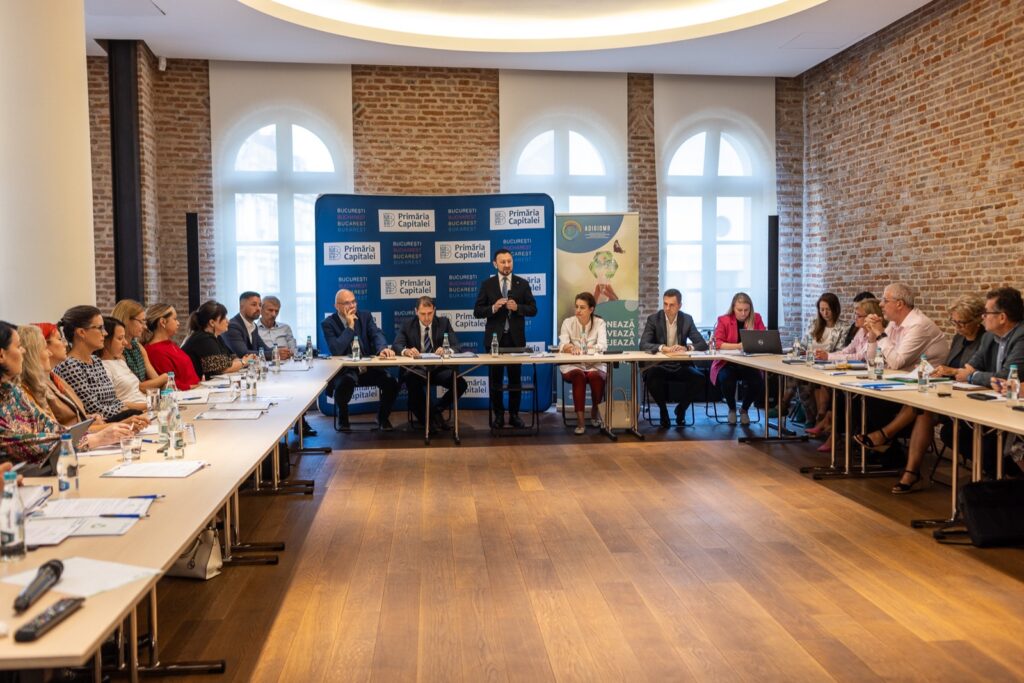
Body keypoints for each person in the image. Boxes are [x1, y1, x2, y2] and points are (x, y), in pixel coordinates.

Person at [888, 294, 986, 493]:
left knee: (923, 409)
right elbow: (951, 367)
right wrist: (942, 371)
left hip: (971, 398)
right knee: (923, 408)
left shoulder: (986, 340)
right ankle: (910, 471)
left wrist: (952, 372)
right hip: (950, 392)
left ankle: (886, 436)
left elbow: (973, 371)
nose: (957, 327)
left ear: (977, 320)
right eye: (954, 322)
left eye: (962, 323)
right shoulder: (959, 339)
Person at [0, 321, 129, 463]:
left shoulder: (12, 391)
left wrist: (99, 433)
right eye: (18, 347)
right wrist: (96, 438)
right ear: (1, 355)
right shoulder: (18, 390)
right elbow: (23, 445)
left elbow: (52, 427)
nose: (23, 351)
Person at [854, 282, 949, 453]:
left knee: (874, 400)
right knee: (864, 395)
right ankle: (885, 448)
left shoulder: (918, 325)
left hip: (926, 386)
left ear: (899, 304)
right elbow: (873, 361)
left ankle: (888, 446)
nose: (881, 304)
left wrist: (880, 333)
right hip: (904, 381)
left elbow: (897, 362)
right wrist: (872, 336)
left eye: (885, 300)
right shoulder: (894, 324)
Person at [472, 248, 537, 429]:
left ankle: (514, 415)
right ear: (495, 264)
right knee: (496, 381)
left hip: (516, 341)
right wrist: (493, 308)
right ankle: (499, 415)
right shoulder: (488, 284)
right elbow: (477, 311)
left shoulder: (522, 284)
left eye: (509, 261)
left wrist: (518, 308)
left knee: (515, 380)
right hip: (494, 341)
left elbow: (533, 309)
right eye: (503, 262)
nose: (507, 265)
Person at [321, 289, 398, 431]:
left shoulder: (365, 316)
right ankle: (343, 419)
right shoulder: (328, 323)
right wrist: (350, 327)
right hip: (346, 371)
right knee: (344, 383)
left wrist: (382, 348)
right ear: (337, 306)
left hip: (368, 368)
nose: (352, 306)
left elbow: (376, 334)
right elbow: (336, 350)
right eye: (347, 303)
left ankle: (382, 418)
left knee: (391, 383)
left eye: (354, 302)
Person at [53, 306, 146, 420]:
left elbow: (113, 400)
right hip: (103, 425)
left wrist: (129, 410)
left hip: (116, 419)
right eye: (100, 328)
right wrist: (128, 412)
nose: (105, 333)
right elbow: (93, 409)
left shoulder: (96, 360)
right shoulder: (70, 366)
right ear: (82, 332)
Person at [392, 296, 467, 433]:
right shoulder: (407, 325)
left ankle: (435, 411)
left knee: (461, 384)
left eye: (430, 313)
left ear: (434, 310)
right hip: (417, 370)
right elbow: (396, 345)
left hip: (438, 369)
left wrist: (447, 350)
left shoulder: (444, 323)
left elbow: (456, 346)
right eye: (422, 314)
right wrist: (406, 351)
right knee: (411, 381)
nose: (426, 318)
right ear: (416, 311)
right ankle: (429, 422)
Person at [639, 289, 708, 428]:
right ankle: (663, 412)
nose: (667, 308)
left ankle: (681, 409)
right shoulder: (654, 319)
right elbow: (643, 344)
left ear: (679, 306)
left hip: (681, 365)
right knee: (652, 378)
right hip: (659, 364)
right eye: (665, 304)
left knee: (700, 379)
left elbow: (702, 344)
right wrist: (662, 348)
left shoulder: (687, 319)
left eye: (671, 305)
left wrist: (687, 348)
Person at [711, 292, 765, 425]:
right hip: (727, 363)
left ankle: (744, 409)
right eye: (739, 310)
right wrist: (739, 346)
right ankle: (732, 409)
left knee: (757, 381)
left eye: (746, 310)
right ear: (733, 308)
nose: (743, 313)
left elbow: (764, 339)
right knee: (727, 379)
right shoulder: (723, 320)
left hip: (749, 363)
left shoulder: (756, 318)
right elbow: (718, 343)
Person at [558, 292, 608, 435]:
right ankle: (580, 422)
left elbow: (603, 345)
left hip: (594, 364)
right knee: (578, 376)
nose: (578, 310)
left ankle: (594, 412)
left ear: (591, 309)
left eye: (582, 307)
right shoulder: (568, 322)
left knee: (596, 377)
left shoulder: (599, 323)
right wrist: (570, 347)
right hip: (573, 365)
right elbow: (563, 344)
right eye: (577, 307)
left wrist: (588, 349)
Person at [111, 299, 169, 392]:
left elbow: (156, 379)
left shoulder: (138, 346)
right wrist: (164, 377)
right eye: (141, 321)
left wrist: (162, 381)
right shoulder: (117, 350)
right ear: (127, 320)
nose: (145, 326)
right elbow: (136, 386)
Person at [181, 301, 247, 379]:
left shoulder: (217, 337)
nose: (228, 321)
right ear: (212, 322)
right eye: (224, 318)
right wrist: (244, 362)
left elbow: (231, 358)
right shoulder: (204, 339)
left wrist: (238, 362)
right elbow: (221, 369)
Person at [143, 303, 200, 390]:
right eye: (175, 319)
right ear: (163, 322)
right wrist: (196, 387)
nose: (178, 323)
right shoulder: (155, 351)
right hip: (185, 394)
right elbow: (170, 383)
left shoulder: (169, 344)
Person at [98, 316, 148, 406]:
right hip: (137, 410)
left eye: (124, 338)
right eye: (120, 338)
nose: (125, 342)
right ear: (105, 339)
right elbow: (114, 405)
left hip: (145, 403)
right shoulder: (102, 367)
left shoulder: (120, 361)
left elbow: (137, 390)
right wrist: (152, 405)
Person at [225, 291, 271, 359]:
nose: (258, 308)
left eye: (260, 305)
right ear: (241, 307)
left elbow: (264, 348)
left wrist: (278, 351)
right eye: (254, 305)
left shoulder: (253, 326)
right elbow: (243, 353)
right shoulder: (233, 326)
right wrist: (273, 354)